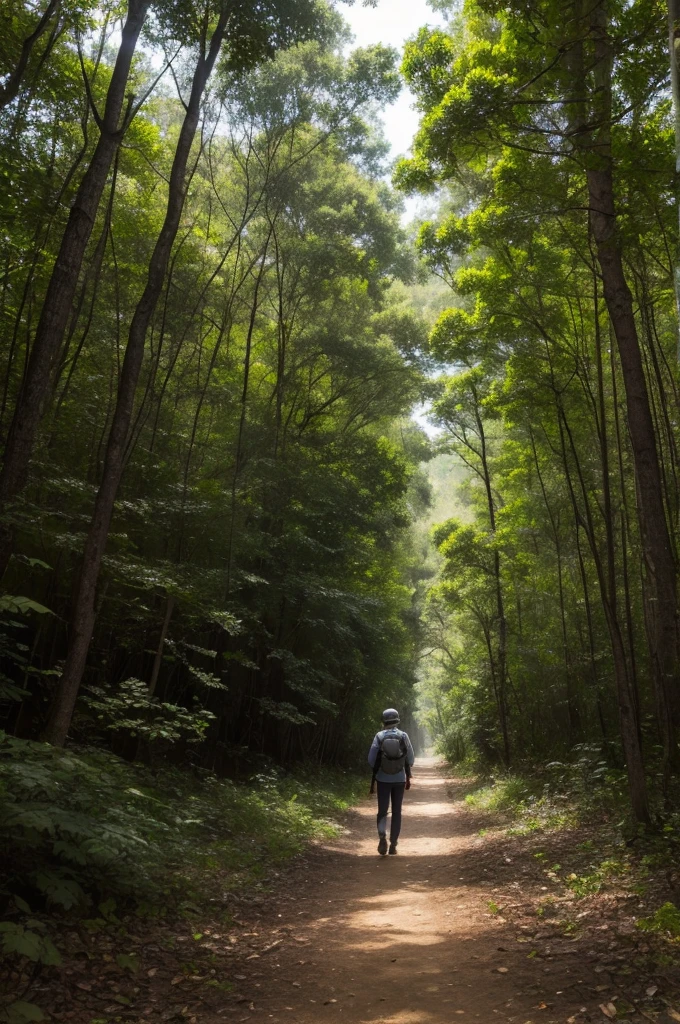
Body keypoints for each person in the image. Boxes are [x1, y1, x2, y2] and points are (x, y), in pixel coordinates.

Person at [368, 708, 415, 856]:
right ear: (397, 720)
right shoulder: (403, 736)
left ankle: (382, 837)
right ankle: (393, 844)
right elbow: (411, 759)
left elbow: (370, 760)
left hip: (382, 779)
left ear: (384, 721)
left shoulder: (379, 736)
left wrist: (383, 767)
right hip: (399, 780)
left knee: (382, 811)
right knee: (396, 812)